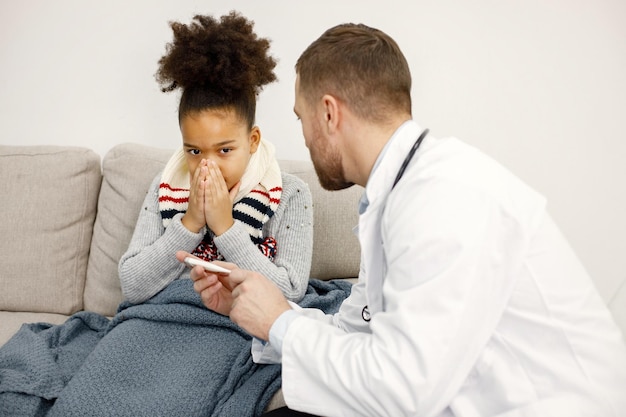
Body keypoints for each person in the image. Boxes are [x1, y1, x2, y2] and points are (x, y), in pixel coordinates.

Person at [181, 23, 626, 416]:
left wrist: (279, 321)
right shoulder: (398, 194)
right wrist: (258, 308)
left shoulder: (445, 197)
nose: (305, 138)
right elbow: (355, 331)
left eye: (302, 119)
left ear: (330, 114)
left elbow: (402, 393)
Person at [120, 11, 313, 304]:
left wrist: (225, 227)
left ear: (252, 141)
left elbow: (289, 292)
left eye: (225, 150)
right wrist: (190, 222)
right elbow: (131, 286)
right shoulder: (164, 187)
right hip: (163, 315)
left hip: (235, 322)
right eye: (194, 151)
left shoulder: (291, 194)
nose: (208, 165)